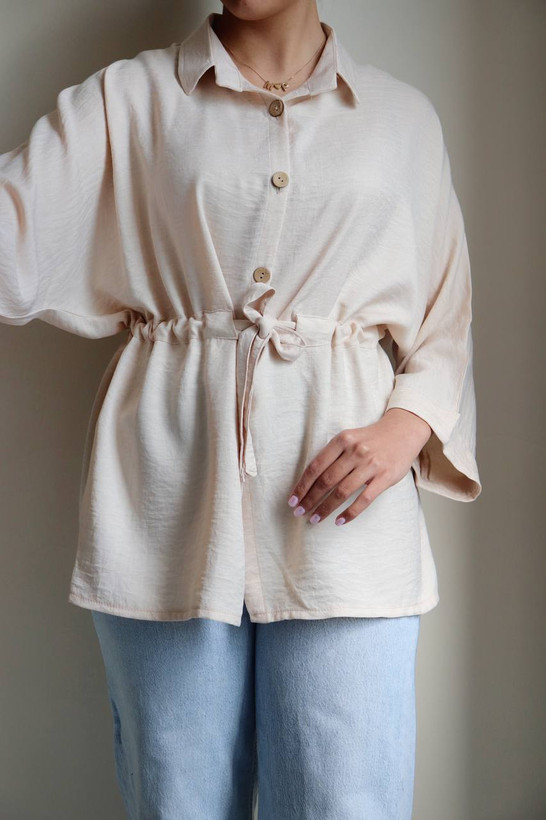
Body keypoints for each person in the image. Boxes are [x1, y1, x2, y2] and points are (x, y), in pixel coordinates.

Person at [0, 0, 482, 817]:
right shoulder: (130, 97)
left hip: (349, 520)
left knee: (346, 799)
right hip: (166, 502)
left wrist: (409, 424)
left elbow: (447, 310)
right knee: (176, 797)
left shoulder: (402, 117)